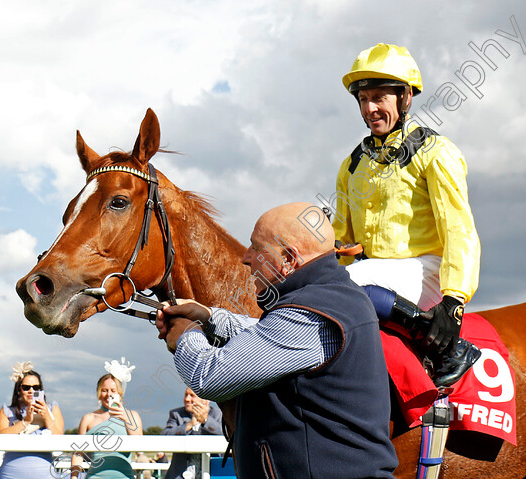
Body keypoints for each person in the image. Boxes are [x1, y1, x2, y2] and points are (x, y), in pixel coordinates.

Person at [156, 202, 397, 479]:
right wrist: (208, 317)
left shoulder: (311, 310)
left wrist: (186, 334)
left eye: (256, 248)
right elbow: (264, 333)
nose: (246, 258)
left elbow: (208, 375)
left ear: (288, 258)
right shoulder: (331, 297)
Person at [333, 43, 482, 386]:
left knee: (348, 286)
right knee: (326, 286)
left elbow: (460, 231)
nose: (369, 108)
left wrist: (454, 301)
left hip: (428, 269)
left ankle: (450, 346)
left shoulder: (436, 152)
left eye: (379, 98)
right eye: (362, 99)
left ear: (405, 97)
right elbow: (343, 239)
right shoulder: (352, 165)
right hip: (377, 274)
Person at [0, 361, 65, 479]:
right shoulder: (7, 411)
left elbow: (59, 438)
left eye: (36, 387)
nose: (31, 391)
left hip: (44, 472)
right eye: (26, 387)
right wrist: (25, 422)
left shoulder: (52, 409)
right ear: (19, 390)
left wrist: (46, 416)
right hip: (12, 472)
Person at [70, 372, 143, 479]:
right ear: (99, 393)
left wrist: (125, 418)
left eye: (113, 390)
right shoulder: (88, 418)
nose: (109, 394)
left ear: (120, 393)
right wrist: (74, 477)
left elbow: (139, 445)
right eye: (104, 390)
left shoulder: (132, 416)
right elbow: (78, 453)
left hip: (124, 476)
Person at [161, 388, 223, 479]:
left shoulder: (218, 414)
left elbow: (226, 434)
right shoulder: (176, 414)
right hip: (180, 474)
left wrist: (206, 420)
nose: (187, 399)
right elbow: (164, 436)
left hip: (212, 473)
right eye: (186, 395)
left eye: (192, 395)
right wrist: (188, 425)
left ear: (205, 400)